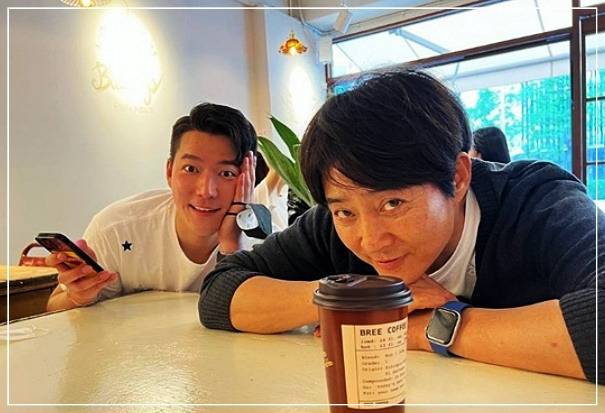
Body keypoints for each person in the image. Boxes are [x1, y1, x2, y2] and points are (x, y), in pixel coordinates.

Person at [199, 70, 603, 384]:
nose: (371, 240)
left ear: (458, 177)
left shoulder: (537, 202)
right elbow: (220, 291)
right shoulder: (336, 220)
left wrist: (439, 327)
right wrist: (353, 296)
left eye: (392, 203)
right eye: (345, 212)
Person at [46, 102, 287, 311]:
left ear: (249, 179)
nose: (206, 191)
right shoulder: (117, 228)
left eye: (226, 173)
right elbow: (54, 305)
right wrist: (78, 296)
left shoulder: (265, 245)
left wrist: (231, 246)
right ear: (170, 171)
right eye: (191, 169)